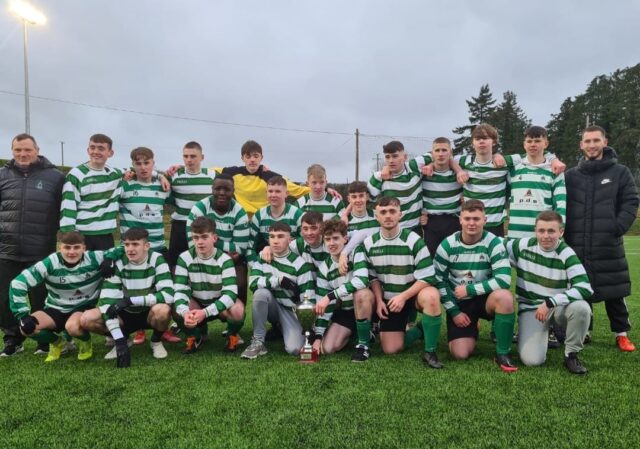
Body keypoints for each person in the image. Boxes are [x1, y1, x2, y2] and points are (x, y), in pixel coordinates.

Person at [564, 125, 639, 352]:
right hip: (577, 242)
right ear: (581, 145)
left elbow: (631, 202)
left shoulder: (621, 172)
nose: (592, 145)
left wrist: (617, 227)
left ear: (605, 142)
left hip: (608, 242)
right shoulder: (571, 176)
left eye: (596, 140)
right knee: (581, 288)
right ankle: (585, 331)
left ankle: (621, 334)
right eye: (587, 141)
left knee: (614, 290)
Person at [355, 196, 443, 367]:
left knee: (432, 295)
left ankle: (430, 351)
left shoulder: (414, 240)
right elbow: (373, 277)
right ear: (376, 216)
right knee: (391, 349)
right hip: (390, 299)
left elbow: (427, 276)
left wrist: (404, 297)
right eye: (383, 212)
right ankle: (419, 330)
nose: (388, 216)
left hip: (413, 295)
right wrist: (380, 300)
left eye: (392, 211)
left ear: (400, 215)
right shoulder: (369, 243)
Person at [9, 231, 120, 362]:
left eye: (76, 247)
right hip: (55, 308)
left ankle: (86, 341)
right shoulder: (50, 262)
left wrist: (110, 258)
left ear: (84, 248)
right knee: (26, 328)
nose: (71, 252)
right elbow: (18, 283)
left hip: (82, 307)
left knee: (72, 327)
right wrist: (23, 315)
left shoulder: (94, 258)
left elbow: (124, 247)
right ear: (60, 247)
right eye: (67, 247)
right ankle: (59, 343)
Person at [0, 133, 65, 357]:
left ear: (37, 150)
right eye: (18, 150)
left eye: (27, 149)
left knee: (40, 297)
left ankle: (43, 341)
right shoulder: (2, 175)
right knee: (6, 298)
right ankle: (12, 340)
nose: (23, 154)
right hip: (7, 249)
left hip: (40, 249)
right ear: (12, 151)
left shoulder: (55, 177)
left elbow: (63, 210)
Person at [434, 199, 517, 372]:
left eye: (476, 219)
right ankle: (471, 326)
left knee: (505, 297)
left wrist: (469, 290)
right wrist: (454, 312)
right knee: (460, 354)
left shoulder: (494, 243)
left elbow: (503, 280)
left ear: (485, 220)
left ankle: (502, 353)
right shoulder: (447, 245)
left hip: (485, 298)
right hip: (460, 303)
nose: (472, 223)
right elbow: (439, 280)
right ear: (460, 220)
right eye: (468, 218)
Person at [508, 211, 593, 374]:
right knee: (532, 361)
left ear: (560, 232)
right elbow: (495, 246)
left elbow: (585, 287)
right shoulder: (521, 245)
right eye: (541, 231)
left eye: (551, 231)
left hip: (557, 308)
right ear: (535, 230)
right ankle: (543, 333)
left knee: (582, 308)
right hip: (532, 309)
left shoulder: (567, 253)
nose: (545, 236)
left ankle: (571, 354)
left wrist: (550, 302)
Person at [80, 228, 174, 367]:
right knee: (87, 319)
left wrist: (130, 300)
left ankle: (156, 341)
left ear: (146, 246)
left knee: (163, 310)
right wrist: (119, 341)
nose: (130, 249)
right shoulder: (117, 262)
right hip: (125, 314)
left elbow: (167, 294)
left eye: (135, 244)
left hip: (149, 312)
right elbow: (107, 302)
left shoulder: (157, 259)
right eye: (127, 244)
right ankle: (125, 339)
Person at [241, 222, 315, 359]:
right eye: (272, 236)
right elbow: (253, 283)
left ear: (289, 239)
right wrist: (277, 280)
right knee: (260, 293)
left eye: (280, 236)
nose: (275, 241)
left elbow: (308, 297)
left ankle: (282, 328)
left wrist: (309, 325)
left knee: (294, 349)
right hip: (273, 306)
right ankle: (258, 342)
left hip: (291, 311)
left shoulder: (300, 264)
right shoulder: (262, 258)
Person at [174, 217, 245, 353]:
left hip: (219, 304)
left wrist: (205, 312)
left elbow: (230, 294)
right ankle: (195, 335)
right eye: (196, 237)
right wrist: (184, 313)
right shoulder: (184, 258)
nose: (200, 242)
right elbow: (180, 291)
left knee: (238, 310)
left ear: (214, 238)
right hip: (197, 303)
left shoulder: (225, 260)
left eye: (204, 237)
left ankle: (232, 335)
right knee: (176, 308)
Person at [313, 219, 374, 361]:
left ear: (345, 239)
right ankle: (360, 333)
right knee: (328, 348)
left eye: (336, 238)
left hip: (366, 306)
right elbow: (323, 306)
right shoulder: (324, 268)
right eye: (327, 239)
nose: (331, 243)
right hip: (346, 311)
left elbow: (362, 280)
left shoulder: (356, 252)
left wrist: (330, 296)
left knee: (362, 293)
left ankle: (364, 345)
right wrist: (318, 337)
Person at [59, 134, 123, 250]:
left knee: (106, 268)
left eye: (101, 148)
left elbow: (136, 172)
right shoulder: (76, 174)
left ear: (110, 153)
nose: (96, 151)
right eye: (92, 148)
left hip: (106, 235)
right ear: (88, 150)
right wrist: (69, 235)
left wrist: (159, 176)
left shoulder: (114, 174)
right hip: (82, 236)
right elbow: (68, 206)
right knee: (82, 268)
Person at [220, 140, 311, 216]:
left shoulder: (271, 177)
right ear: (242, 158)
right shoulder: (232, 173)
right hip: (241, 220)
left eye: (256, 156)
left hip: (264, 220)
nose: (252, 159)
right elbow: (210, 172)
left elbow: (299, 190)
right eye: (248, 156)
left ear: (261, 157)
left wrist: (325, 189)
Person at [507, 126, 566, 239]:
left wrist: (558, 233)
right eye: (529, 141)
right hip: (514, 237)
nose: (533, 144)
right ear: (524, 145)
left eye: (537, 141)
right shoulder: (513, 168)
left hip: (543, 237)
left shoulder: (555, 170)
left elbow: (561, 205)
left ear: (546, 144)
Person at [166, 141, 217, 269]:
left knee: (204, 264)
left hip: (204, 226)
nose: (189, 160)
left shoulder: (212, 175)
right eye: (186, 156)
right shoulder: (175, 175)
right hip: (180, 225)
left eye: (193, 156)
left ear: (202, 157)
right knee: (176, 264)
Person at [413, 137, 463, 257]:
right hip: (431, 222)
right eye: (437, 150)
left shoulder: (458, 173)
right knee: (432, 259)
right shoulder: (424, 173)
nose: (441, 154)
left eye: (444, 150)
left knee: (454, 259)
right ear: (432, 153)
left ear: (450, 153)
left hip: (454, 220)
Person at [119, 147, 170, 257]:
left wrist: (160, 176)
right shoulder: (125, 186)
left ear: (153, 163)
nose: (143, 167)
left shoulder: (163, 186)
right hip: (130, 249)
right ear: (133, 165)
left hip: (158, 248)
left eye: (147, 163)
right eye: (138, 164)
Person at [367, 141, 424, 231]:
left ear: (405, 157)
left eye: (395, 156)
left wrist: (431, 165)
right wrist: (345, 213)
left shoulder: (415, 167)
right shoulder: (379, 177)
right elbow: (362, 201)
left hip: (416, 228)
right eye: (387, 157)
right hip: (391, 230)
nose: (391, 160)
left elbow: (438, 154)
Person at [248, 176, 304, 261]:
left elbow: (306, 242)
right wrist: (256, 266)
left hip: (293, 261)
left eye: (278, 191)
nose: (273, 195)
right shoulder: (259, 215)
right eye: (270, 191)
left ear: (286, 194)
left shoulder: (297, 214)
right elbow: (250, 246)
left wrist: (285, 246)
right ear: (266, 193)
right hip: (269, 262)